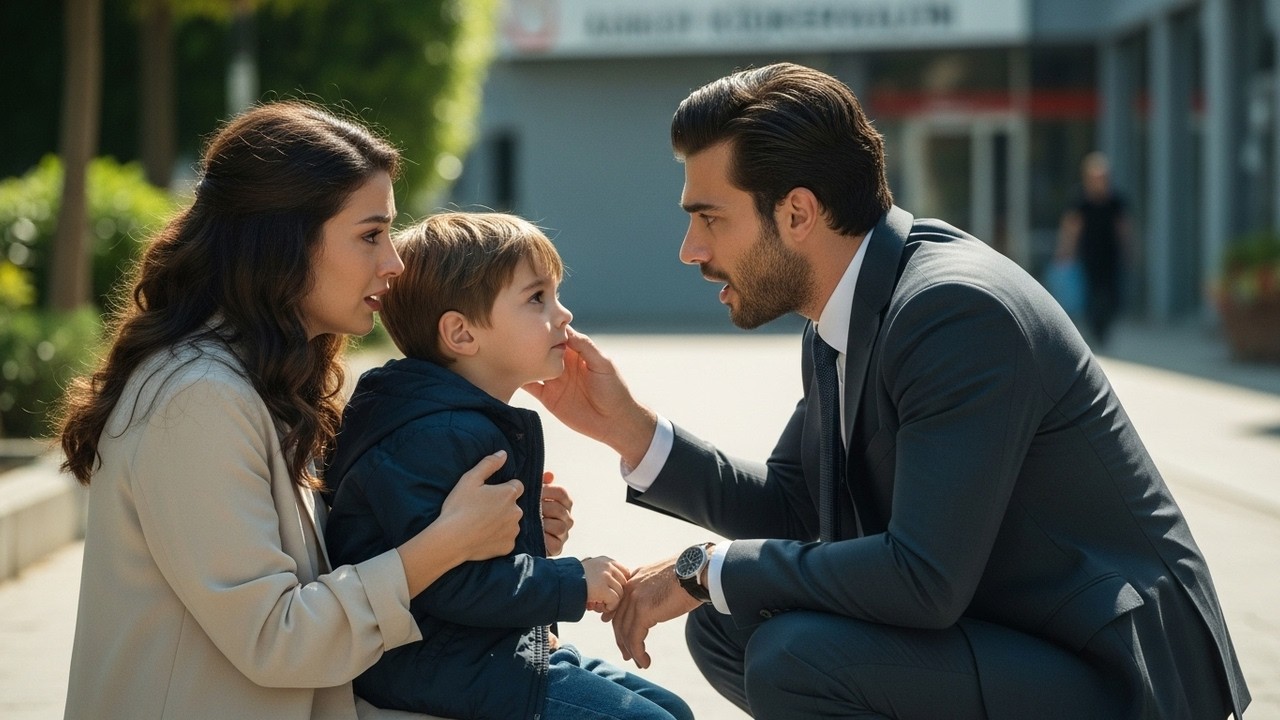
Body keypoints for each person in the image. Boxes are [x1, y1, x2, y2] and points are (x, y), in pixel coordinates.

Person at [524, 63, 1250, 719]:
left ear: (797, 214)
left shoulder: (955, 312)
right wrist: (628, 429)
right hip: (1007, 632)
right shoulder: (848, 309)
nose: (692, 250)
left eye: (710, 218)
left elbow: (923, 577)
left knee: (794, 656)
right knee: (728, 624)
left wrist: (705, 567)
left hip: (1118, 674)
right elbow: (794, 507)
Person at [56, 103, 572, 720]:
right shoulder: (197, 398)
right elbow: (276, 637)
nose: (394, 262)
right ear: (285, 243)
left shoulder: (266, 377)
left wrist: (495, 532)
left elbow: (328, 570)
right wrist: (445, 544)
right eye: (370, 235)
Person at [323, 211, 694, 720]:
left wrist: (529, 530)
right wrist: (571, 581)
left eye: (556, 294)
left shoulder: (453, 419)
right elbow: (448, 581)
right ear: (461, 333)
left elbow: (472, 554)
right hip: (441, 666)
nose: (563, 314)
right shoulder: (436, 434)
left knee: (670, 708)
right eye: (537, 298)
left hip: (483, 651)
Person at [1056, 151, 1130, 346]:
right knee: (1091, 295)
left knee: (1111, 295)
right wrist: (1066, 251)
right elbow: (1071, 228)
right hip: (1088, 256)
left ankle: (1104, 328)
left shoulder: (1115, 201)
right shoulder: (1080, 200)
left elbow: (1123, 228)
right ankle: (1095, 328)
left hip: (1111, 256)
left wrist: (1128, 250)